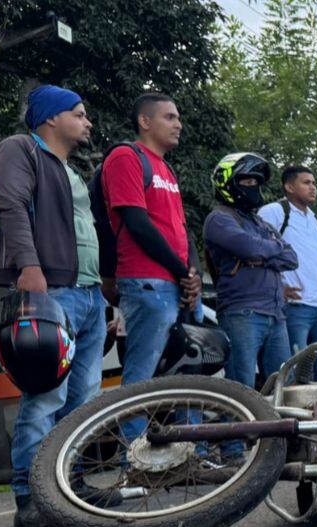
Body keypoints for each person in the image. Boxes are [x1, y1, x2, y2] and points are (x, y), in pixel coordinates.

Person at [0, 85, 108, 527]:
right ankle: (30, 494)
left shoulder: (71, 170)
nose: (87, 121)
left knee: (84, 398)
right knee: (44, 396)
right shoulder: (20, 149)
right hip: (50, 289)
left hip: (88, 293)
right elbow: (12, 207)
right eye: (79, 113)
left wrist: (101, 293)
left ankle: (70, 485)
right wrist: (29, 267)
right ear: (52, 118)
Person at [101, 92, 201, 392]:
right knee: (142, 379)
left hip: (177, 285)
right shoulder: (126, 156)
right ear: (145, 121)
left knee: (187, 377)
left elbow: (182, 231)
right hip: (147, 283)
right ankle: (134, 441)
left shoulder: (167, 169)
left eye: (178, 118)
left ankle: (188, 440)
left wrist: (192, 273)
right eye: (169, 117)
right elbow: (138, 224)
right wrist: (182, 273)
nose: (178, 124)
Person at [203, 153, 298, 388]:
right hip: (242, 312)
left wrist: (261, 254)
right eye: (246, 182)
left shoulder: (260, 223)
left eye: (256, 182)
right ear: (228, 184)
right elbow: (251, 249)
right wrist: (267, 251)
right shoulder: (219, 218)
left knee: (282, 387)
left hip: (276, 314)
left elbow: (291, 258)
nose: (253, 187)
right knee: (240, 387)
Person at [258, 165, 317, 381]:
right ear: (289, 186)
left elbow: (312, 253)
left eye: (314, 183)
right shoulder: (274, 211)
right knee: (291, 370)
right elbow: (256, 251)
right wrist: (277, 287)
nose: (313, 188)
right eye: (306, 183)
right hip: (296, 306)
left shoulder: (312, 217)